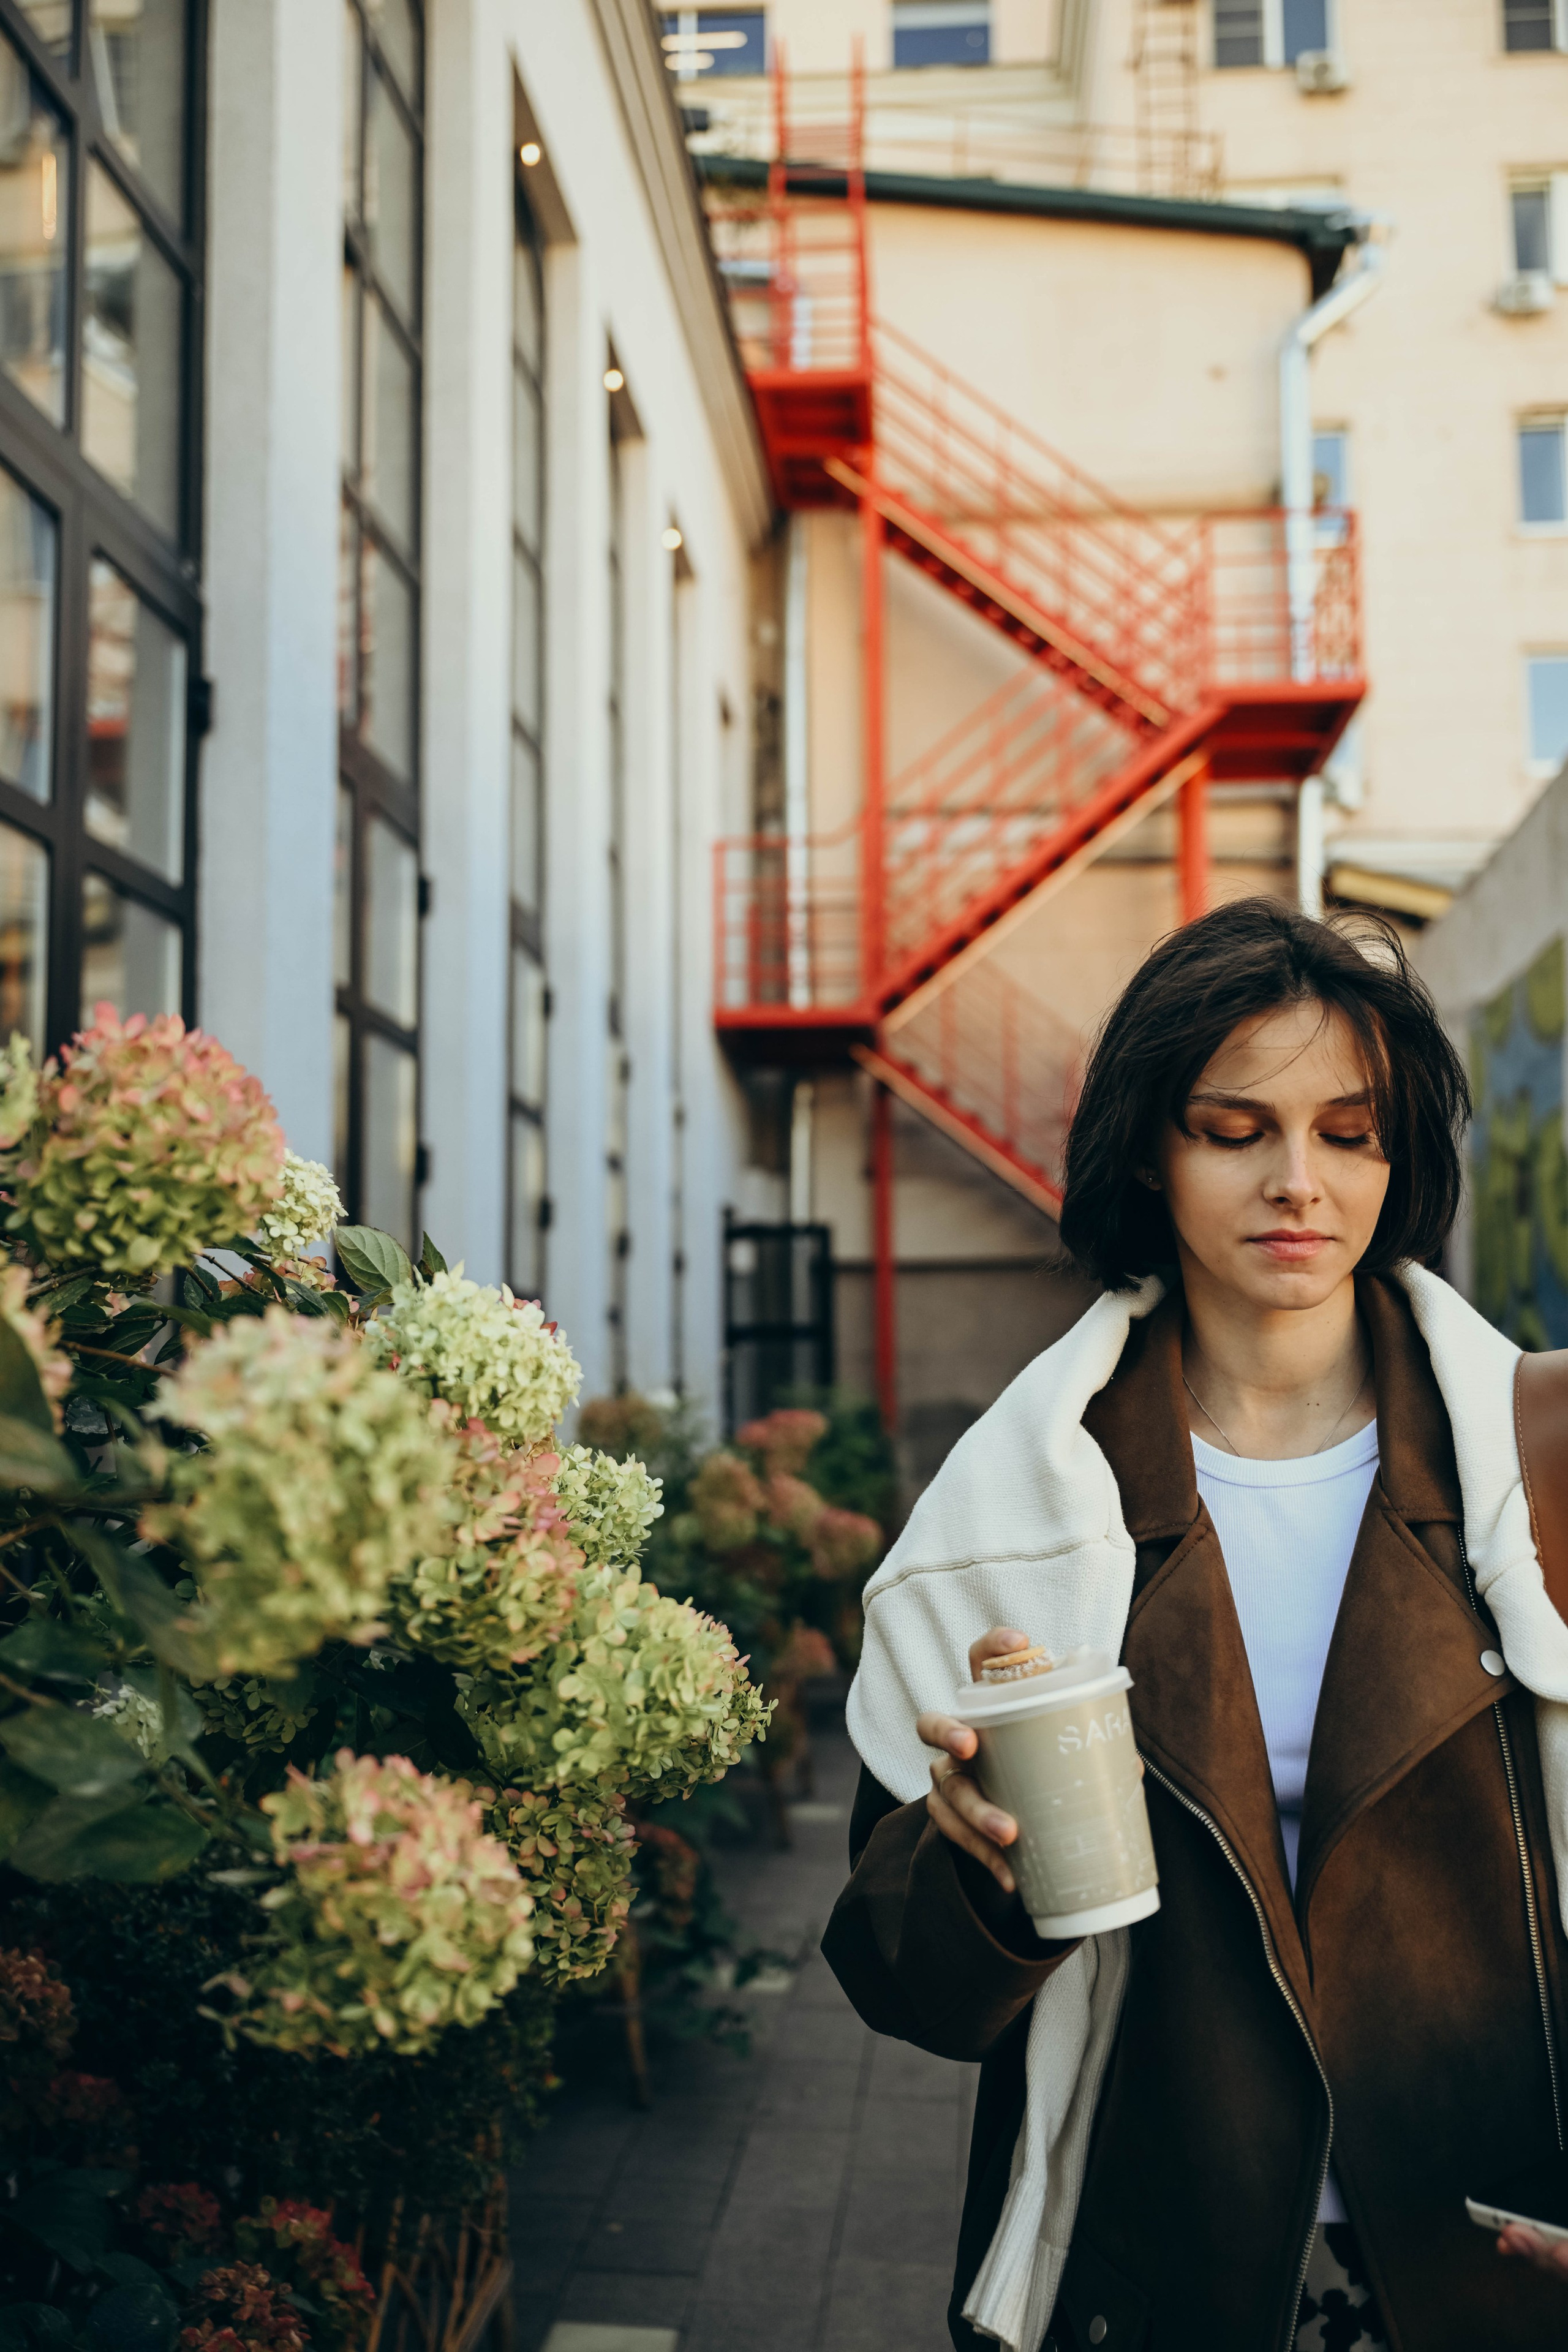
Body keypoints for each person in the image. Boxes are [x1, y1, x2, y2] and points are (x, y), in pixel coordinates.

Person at [823, 899, 1568, 2352]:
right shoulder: (1015, 1507)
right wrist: (973, 1863)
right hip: (1158, 2260)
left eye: (1348, 1131)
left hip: (1499, 2257)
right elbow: (900, 1984)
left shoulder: (1537, 1458)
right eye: (1235, 1128)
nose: (1298, 1181)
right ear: (1150, 1155)